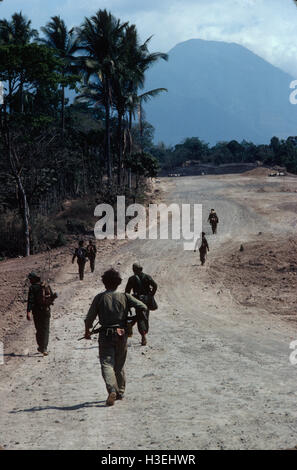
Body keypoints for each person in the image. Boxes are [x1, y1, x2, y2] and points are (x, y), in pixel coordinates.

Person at [84, 268, 147, 406]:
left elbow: (89, 318)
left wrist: (87, 331)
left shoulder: (99, 298)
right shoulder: (125, 297)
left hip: (105, 334)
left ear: (104, 282)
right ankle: (120, 391)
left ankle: (112, 389)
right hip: (122, 334)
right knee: (119, 364)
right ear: (118, 283)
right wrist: (133, 320)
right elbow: (142, 307)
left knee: (107, 363)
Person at [125, 263, 157, 346]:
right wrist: (151, 295)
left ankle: (133, 326)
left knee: (140, 316)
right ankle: (143, 335)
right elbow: (155, 285)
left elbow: (127, 292)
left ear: (134, 270)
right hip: (146, 300)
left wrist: (128, 302)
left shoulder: (132, 279)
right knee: (144, 317)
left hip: (137, 300)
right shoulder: (147, 277)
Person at [26, 272, 57, 356]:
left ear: (33, 279)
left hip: (37, 312)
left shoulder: (32, 288)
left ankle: (41, 346)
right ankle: (44, 348)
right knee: (46, 330)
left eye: (30, 279)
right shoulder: (45, 285)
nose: (30, 280)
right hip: (46, 310)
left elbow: (30, 301)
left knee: (39, 330)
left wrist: (28, 312)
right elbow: (51, 297)